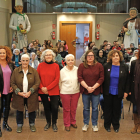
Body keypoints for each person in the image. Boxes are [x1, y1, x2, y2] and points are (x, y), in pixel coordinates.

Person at [10, 54, 40, 133]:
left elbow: (37, 83)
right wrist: (19, 92)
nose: (25, 62)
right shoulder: (16, 71)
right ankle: (19, 125)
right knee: (19, 111)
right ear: (21, 61)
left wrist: (30, 92)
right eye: (23, 60)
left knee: (32, 110)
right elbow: (12, 83)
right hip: (19, 95)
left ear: (29, 61)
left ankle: (32, 124)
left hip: (31, 95)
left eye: (27, 60)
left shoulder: (34, 71)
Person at [78, 50, 104, 132]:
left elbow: (102, 78)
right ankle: (86, 123)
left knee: (95, 108)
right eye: (88, 55)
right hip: (85, 91)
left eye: (92, 55)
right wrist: (87, 87)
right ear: (86, 57)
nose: (90, 57)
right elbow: (80, 78)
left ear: (94, 57)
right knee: (86, 108)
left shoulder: (99, 66)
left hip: (96, 91)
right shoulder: (82, 66)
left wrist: (93, 87)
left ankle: (94, 124)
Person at [103, 50, 129, 133]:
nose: (115, 57)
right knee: (108, 109)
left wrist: (126, 91)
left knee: (117, 109)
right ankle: (107, 125)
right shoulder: (106, 66)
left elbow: (127, 80)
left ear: (120, 57)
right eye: (113, 56)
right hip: (108, 91)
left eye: (117, 56)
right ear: (110, 57)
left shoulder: (124, 66)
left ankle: (116, 125)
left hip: (119, 91)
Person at [37, 49, 60, 132]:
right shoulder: (40, 66)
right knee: (46, 107)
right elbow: (37, 78)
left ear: (53, 56)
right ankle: (48, 123)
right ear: (44, 56)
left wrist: (47, 88)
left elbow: (57, 79)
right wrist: (42, 87)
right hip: (42, 90)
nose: (48, 56)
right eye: (47, 55)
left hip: (53, 90)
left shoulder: (56, 66)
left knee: (54, 107)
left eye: (50, 55)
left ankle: (54, 123)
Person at [59, 54, 80, 132]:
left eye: (72, 60)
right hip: (65, 92)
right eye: (69, 60)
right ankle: (67, 124)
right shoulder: (62, 71)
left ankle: (73, 121)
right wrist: (63, 90)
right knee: (66, 109)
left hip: (76, 92)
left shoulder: (77, 69)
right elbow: (59, 83)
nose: (70, 61)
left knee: (73, 108)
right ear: (65, 61)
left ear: (74, 61)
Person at [0, 46, 14, 137]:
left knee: (7, 107)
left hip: (8, 90)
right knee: (0, 109)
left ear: (7, 54)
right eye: (0, 53)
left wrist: (12, 86)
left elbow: (14, 76)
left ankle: (5, 123)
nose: (2, 54)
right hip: (0, 91)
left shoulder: (11, 64)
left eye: (3, 53)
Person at [128, 49, 140, 134]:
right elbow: (130, 77)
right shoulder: (134, 63)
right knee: (135, 108)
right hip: (136, 90)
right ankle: (136, 125)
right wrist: (129, 89)